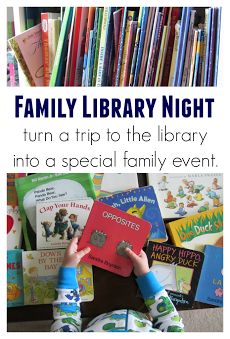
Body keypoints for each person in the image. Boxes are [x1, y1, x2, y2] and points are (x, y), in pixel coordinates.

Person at [51, 238, 184, 332]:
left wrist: (67, 270)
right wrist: (145, 275)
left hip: (95, 318)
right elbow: (169, 319)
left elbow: (66, 319)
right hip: (141, 314)